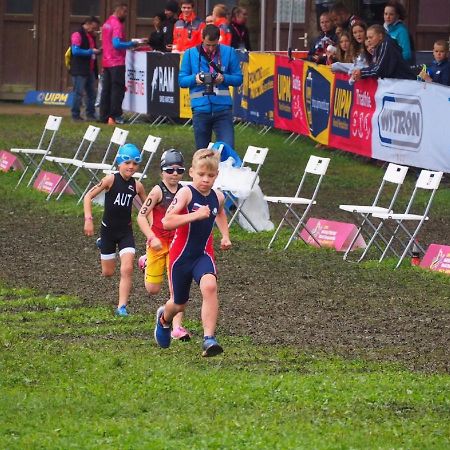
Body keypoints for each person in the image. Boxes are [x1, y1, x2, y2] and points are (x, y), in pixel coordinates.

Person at [154, 148, 232, 357]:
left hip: (202, 254)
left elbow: (220, 213)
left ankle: (209, 340)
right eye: (201, 175)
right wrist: (194, 216)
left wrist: (225, 235)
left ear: (216, 176)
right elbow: (167, 221)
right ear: (191, 172)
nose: (205, 180)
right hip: (181, 256)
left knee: (210, 286)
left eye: (211, 175)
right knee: (179, 303)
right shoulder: (186, 193)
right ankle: (164, 319)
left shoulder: (218, 196)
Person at [83, 143, 146, 316]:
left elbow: (148, 208)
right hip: (108, 232)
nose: (131, 167)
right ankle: (101, 243)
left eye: (135, 164)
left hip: (126, 232)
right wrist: (88, 219)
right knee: (108, 272)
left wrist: (153, 229)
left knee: (127, 269)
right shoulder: (110, 179)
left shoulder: (138, 186)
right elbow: (88, 196)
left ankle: (122, 307)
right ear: (119, 163)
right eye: (127, 163)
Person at [137, 149, 192, 341]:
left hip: (177, 244)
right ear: (162, 172)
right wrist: (152, 237)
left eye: (179, 170)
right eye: (170, 170)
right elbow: (141, 216)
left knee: (175, 288)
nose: (175, 174)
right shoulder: (157, 191)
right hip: (157, 244)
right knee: (152, 289)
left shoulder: (186, 192)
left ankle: (177, 327)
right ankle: (145, 262)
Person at [179, 24, 243, 150]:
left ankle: (226, 169)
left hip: (223, 109)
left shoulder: (229, 52)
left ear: (219, 39)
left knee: (227, 150)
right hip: (200, 109)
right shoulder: (190, 54)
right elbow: (181, 80)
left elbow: (238, 79)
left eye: (214, 45)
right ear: (202, 39)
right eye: (208, 44)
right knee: (202, 153)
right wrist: (195, 79)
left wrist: (224, 78)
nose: (211, 48)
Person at [99, 2, 139, 125]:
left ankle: (104, 116)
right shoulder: (117, 25)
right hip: (116, 61)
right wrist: (131, 44)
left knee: (106, 90)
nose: (126, 15)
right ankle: (115, 116)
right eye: (125, 12)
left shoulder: (107, 23)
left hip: (106, 61)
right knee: (117, 90)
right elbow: (116, 44)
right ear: (119, 11)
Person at [351, 24, 415, 81]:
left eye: (371, 37)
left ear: (380, 36)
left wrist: (362, 73)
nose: (368, 40)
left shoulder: (386, 44)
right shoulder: (379, 46)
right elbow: (373, 66)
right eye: (367, 38)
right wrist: (360, 71)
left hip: (406, 82)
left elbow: (378, 70)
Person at [69, 16, 101, 122]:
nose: (94, 30)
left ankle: (90, 114)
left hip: (90, 69)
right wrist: (91, 51)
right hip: (79, 69)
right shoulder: (77, 35)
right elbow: (75, 51)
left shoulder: (91, 36)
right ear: (87, 24)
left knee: (92, 94)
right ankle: (75, 115)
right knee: (78, 93)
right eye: (93, 27)